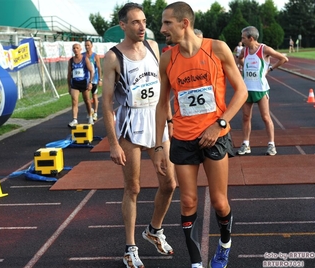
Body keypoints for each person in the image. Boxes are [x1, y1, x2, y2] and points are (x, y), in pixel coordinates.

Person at [155, 2, 248, 268]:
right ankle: (196, 263)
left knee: (219, 202)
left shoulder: (217, 48)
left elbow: (241, 92)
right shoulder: (167, 58)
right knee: (187, 201)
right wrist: (159, 146)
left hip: (214, 136)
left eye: (167, 23)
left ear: (185, 23)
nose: (162, 29)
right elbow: (162, 104)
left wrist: (219, 124)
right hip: (183, 139)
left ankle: (225, 245)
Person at [101, 3, 176, 268]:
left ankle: (154, 230)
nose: (142, 26)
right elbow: (107, 103)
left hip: (156, 124)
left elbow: (162, 89)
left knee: (169, 184)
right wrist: (112, 143)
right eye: (135, 22)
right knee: (133, 188)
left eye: (144, 21)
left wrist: (168, 120)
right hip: (130, 127)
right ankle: (130, 248)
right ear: (123, 25)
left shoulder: (154, 47)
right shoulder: (112, 57)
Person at [237, 26, 288, 156]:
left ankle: (271, 144)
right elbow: (240, 59)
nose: (241, 40)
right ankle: (246, 144)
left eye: (243, 38)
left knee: (265, 117)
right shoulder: (245, 50)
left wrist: (269, 69)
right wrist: (245, 68)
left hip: (261, 89)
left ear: (251, 38)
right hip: (247, 89)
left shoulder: (264, 49)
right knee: (246, 117)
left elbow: (283, 59)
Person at [67, 43, 94, 127]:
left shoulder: (85, 59)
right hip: (75, 83)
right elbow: (69, 74)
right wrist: (69, 86)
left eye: (77, 48)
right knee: (74, 101)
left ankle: (90, 116)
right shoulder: (71, 60)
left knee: (87, 100)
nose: (75, 49)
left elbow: (91, 71)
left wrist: (90, 82)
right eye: (74, 48)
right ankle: (75, 119)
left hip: (84, 83)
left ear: (80, 49)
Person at [83, 40, 102, 121]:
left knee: (94, 96)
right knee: (87, 97)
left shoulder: (95, 56)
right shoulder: (83, 55)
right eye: (86, 45)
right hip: (86, 79)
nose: (87, 47)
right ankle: (90, 111)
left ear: (92, 46)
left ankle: (96, 113)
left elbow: (99, 67)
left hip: (94, 79)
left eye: (88, 45)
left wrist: (100, 79)